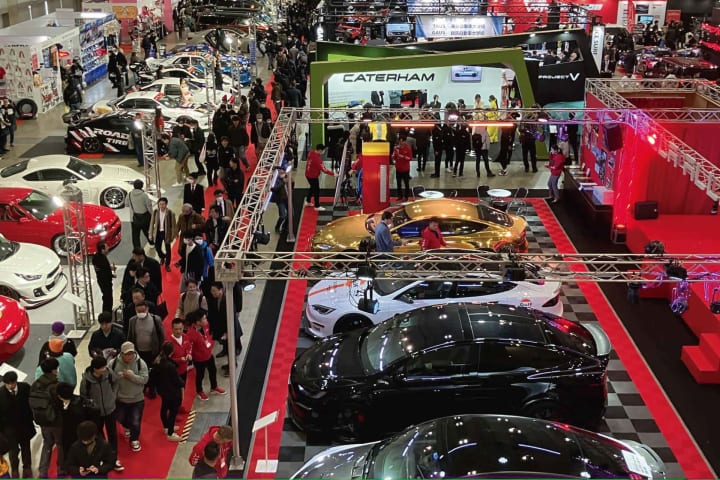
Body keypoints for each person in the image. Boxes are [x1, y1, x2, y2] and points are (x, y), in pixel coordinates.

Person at [79, 356, 124, 471]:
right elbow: (83, 396)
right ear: (95, 368)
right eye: (102, 367)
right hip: (96, 412)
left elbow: (116, 382)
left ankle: (113, 458)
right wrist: (92, 405)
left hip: (110, 409)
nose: (104, 369)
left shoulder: (109, 373)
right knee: (98, 435)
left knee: (112, 434)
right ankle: (104, 456)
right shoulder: (87, 380)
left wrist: (113, 395)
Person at [110, 342, 148, 453]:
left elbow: (144, 379)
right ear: (122, 354)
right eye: (127, 354)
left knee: (135, 421)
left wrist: (132, 376)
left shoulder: (141, 363)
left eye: (131, 353)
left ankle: (134, 439)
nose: (129, 356)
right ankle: (127, 427)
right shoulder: (113, 363)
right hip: (120, 399)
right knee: (120, 418)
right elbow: (109, 378)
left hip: (137, 398)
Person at [31, 358, 64, 478]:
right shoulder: (55, 385)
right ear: (54, 370)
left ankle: (43, 471)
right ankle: (61, 469)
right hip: (56, 420)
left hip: (42, 421)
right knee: (60, 444)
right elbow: (60, 403)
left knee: (47, 444)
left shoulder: (36, 384)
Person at [0, 371, 35, 479]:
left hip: (24, 425)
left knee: (26, 448)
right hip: (9, 429)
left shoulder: (25, 388)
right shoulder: (0, 394)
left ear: (16, 381)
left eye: (12, 383)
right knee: (13, 451)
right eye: (7, 384)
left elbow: (31, 404)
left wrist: (32, 418)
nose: (10, 386)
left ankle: (27, 468)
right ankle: (15, 469)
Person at [186, 309, 226, 401]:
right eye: (204, 318)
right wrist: (189, 355)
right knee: (200, 375)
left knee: (213, 371)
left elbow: (208, 336)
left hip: (208, 354)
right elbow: (188, 346)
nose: (206, 320)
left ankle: (214, 387)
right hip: (199, 359)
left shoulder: (206, 326)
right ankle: (199, 391)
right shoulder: (191, 334)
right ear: (198, 322)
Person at [127, 301, 165, 397]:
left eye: (142, 311)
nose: (140, 313)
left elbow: (161, 337)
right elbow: (130, 336)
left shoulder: (156, 319)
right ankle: (142, 388)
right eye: (138, 311)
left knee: (152, 371)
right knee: (140, 371)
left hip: (152, 352)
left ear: (147, 309)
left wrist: (161, 353)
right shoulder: (132, 321)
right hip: (138, 352)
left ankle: (152, 388)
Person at [152, 342, 184, 442]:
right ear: (172, 352)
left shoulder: (158, 361)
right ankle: (170, 433)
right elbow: (177, 380)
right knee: (173, 412)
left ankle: (166, 427)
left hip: (162, 390)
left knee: (164, 408)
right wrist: (182, 383)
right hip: (172, 392)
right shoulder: (170, 366)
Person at [207, 282, 242, 360]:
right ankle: (225, 350)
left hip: (230, 324)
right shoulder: (214, 300)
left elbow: (231, 316)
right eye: (212, 291)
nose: (213, 293)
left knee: (234, 339)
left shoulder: (228, 300)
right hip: (221, 324)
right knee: (224, 341)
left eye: (214, 291)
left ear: (221, 290)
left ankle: (237, 350)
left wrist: (227, 330)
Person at [150, 197, 177, 272]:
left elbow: (173, 225)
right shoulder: (155, 212)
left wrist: (173, 235)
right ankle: (162, 256)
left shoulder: (170, 213)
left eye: (163, 204)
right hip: (158, 232)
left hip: (166, 233)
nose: (161, 206)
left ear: (166, 204)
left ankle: (167, 264)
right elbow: (152, 223)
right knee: (157, 247)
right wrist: (150, 234)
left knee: (168, 249)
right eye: (160, 204)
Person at [305, 144, 335, 211]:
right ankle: (317, 206)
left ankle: (308, 201)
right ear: (320, 150)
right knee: (316, 190)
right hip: (313, 176)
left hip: (307, 174)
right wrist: (334, 174)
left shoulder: (311, 153)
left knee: (312, 187)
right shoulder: (317, 160)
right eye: (324, 150)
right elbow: (325, 170)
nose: (324, 152)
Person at [126, 179, 153, 249]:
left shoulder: (129, 194)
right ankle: (151, 243)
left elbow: (126, 204)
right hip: (145, 218)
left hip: (134, 218)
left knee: (135, 235)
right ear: (142, 186)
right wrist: (152, 215)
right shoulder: (144, 195)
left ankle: (137, 249)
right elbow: (149, 207)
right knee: (147, 232)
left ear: (134, 186)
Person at [92, 241, 116, 313]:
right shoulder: (100, 259)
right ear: (102, 250)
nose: (108, 248)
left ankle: (107, 312)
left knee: (107, 298)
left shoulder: (97, 257)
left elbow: (104, 268)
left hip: (103, 280)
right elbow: (104, 271)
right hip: (105, 282)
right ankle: (107, 313)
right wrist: (111, 274)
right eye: (106, 247)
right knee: (108, 299)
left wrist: (110, 268)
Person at [392, 135, 412, 202]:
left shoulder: (408, 148)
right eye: (399, 141)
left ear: (404, 141)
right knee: (398, 183)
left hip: (405, 169)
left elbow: (410, 158)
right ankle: (399, 196)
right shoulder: (397, 148)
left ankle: (406, 196)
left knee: (406, 183)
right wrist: (394, 155)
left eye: (402, 141)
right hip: (398, 168)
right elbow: (394, 157)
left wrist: (402, 156)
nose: (400, 143)